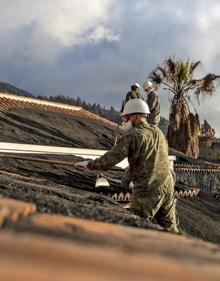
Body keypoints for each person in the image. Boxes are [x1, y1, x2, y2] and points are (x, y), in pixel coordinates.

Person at [75, 99, 179, 233]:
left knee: (136, 228)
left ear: (137, 116)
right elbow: (149, 159)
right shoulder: (158, 132)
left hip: (148, 190)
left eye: (126, 117)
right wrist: (128, 176)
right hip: (167, 187)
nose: (124, 120)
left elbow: (111, 158)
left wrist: (89, 164)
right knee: (170, 231)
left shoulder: (134, 135)